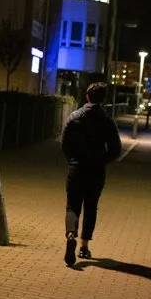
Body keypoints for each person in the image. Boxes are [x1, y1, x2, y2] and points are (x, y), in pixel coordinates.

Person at [61, 81, 122, 267]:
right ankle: (84, 246)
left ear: (87, 97)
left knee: (72, 205)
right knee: (91, 206)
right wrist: (102, 160)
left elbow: (65, 144)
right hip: (96, 170)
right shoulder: (107, 121)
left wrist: (73, 159)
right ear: (104, 100)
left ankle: (71, 234)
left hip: (76, 167)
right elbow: (116, 149)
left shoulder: (74, 117)